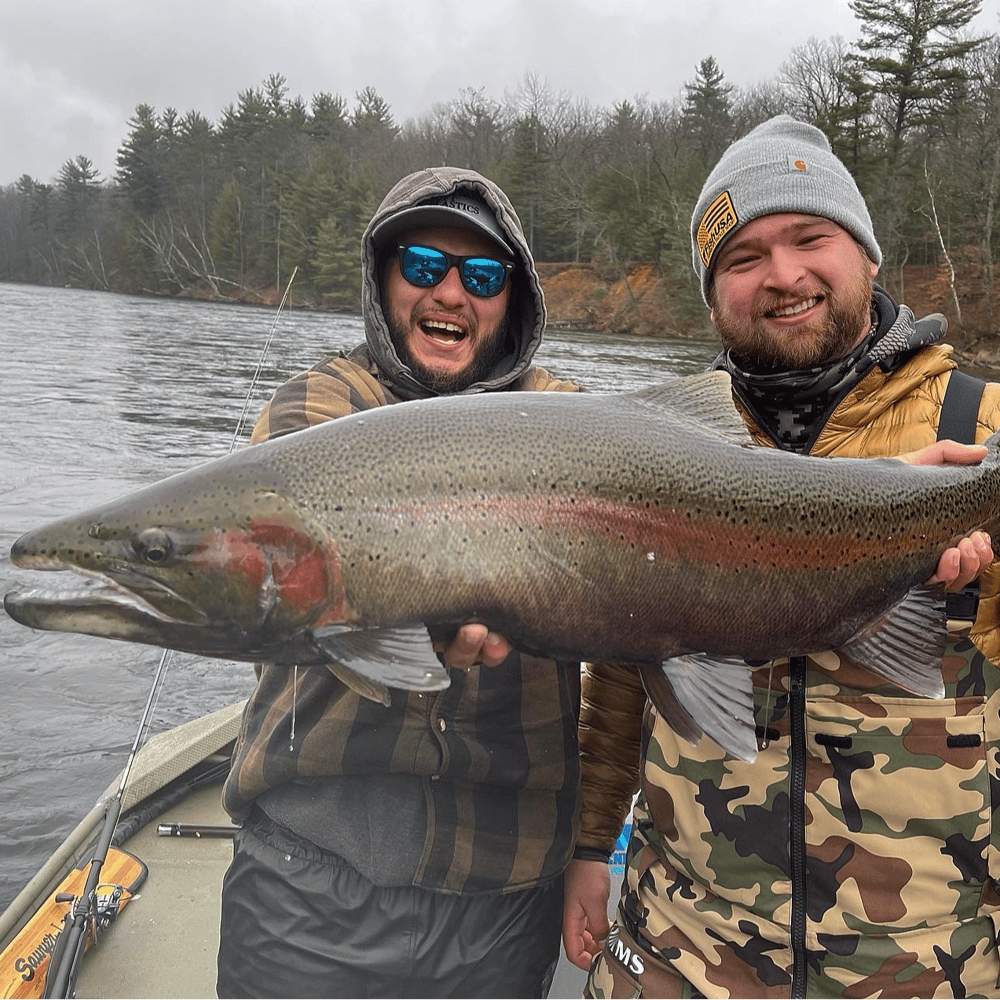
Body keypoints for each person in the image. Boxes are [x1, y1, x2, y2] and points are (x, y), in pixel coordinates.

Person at [565, 116, 1000, 999]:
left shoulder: (981, 437)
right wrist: (585, 851)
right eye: (743, 257)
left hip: (925, 964)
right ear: (713, 292)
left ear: (869, 256)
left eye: (810, 239)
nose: (783, 276)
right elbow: (617, 677)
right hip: (680, 951)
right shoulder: (652, 450)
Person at [216, 167, 583, 1000]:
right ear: (384, 280)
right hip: (309, 878)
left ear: (511, 301)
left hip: (505, 893)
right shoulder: (317, 406)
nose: (451, 293)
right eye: (423, 266)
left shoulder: (563, 413)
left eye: (482, 277)